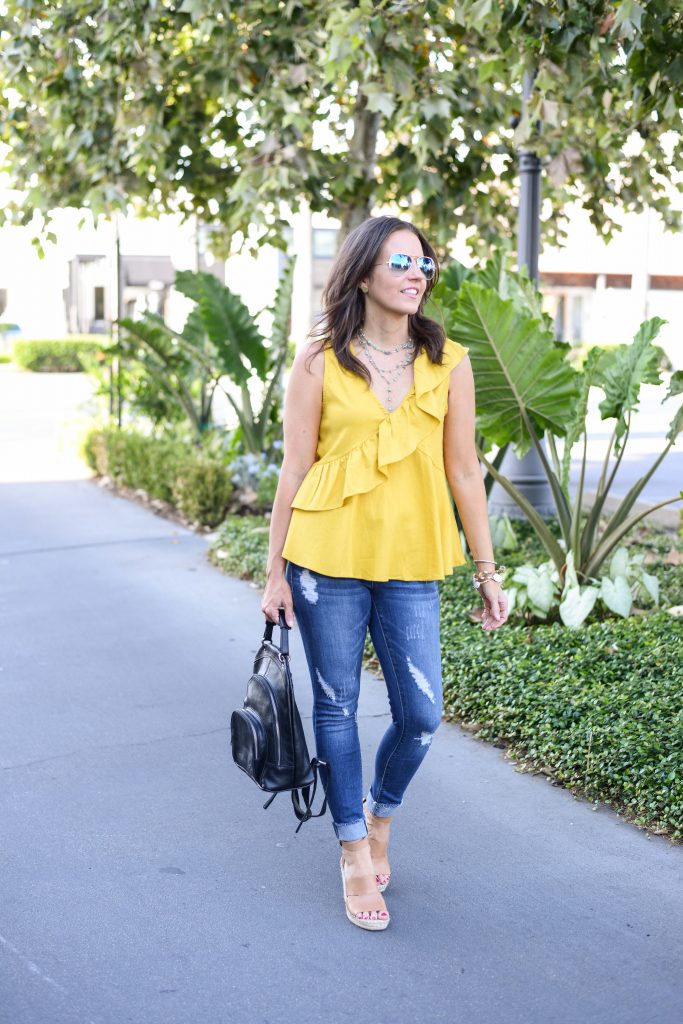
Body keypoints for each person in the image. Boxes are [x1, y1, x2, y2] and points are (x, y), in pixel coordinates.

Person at [261, 216, 508, 931]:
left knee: (421, 716)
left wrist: (486, 570)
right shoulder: (319, 362)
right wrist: (274, 571)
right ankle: (349, 848)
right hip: (324, 561)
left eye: (424, 262)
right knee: (335, 706)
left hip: (410, 562)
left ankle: (380, 815)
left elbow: (464, 469)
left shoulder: (448, 362)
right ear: (364, 272)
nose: (416, 271)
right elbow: (295, 467)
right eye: (400, 260)